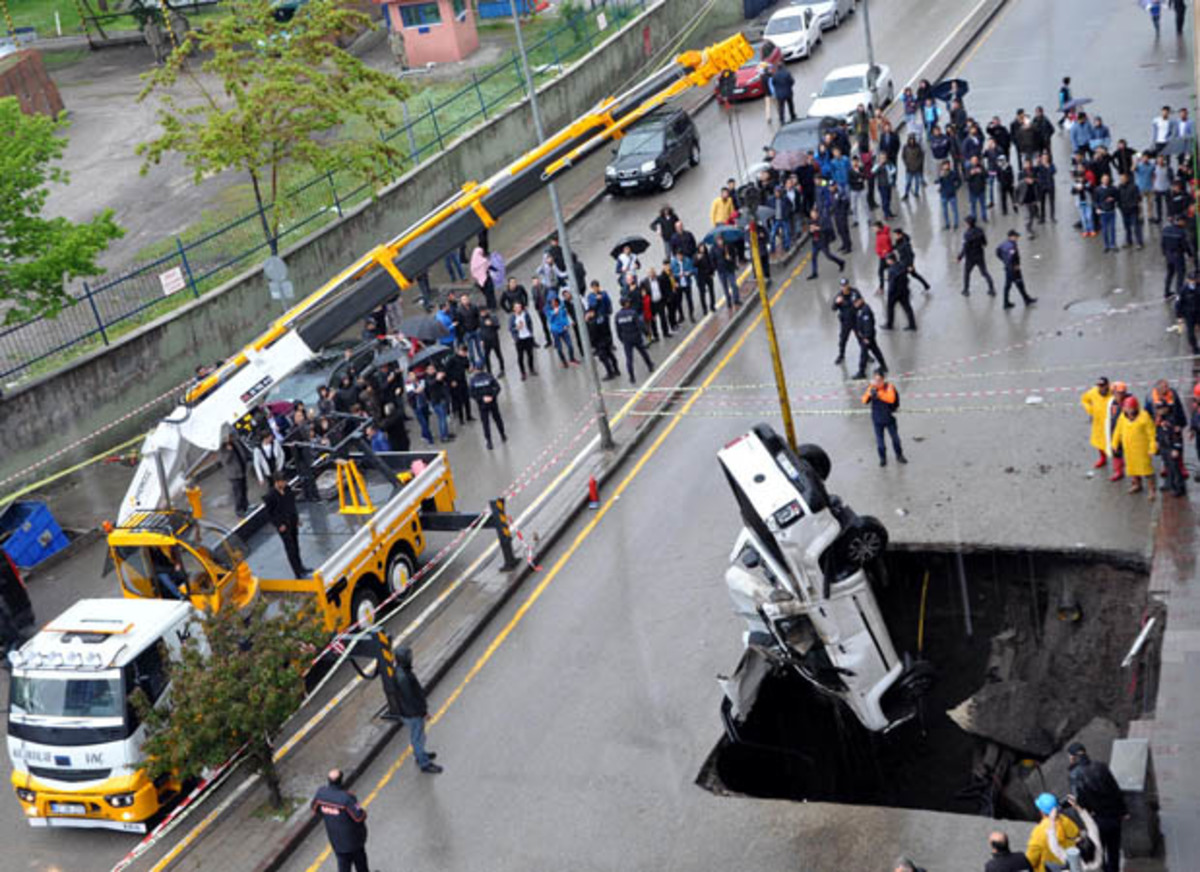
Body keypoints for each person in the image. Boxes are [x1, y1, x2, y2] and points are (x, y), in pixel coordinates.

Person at [1066, 744, 1126, 872]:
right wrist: (1124, 811)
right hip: (1114, 816)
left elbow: (1079, 801)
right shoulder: (1101, 766)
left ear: (1072, 757)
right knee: (1114, 849)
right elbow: (1115, 790)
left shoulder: (1074, 774)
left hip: (1096, 819)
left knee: (1099, 850)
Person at [393, 646, 442, 773]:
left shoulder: (399, 671)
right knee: (418, 737)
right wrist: (423, 712)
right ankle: (424, 763)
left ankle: (420, 755)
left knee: (418, 736)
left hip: (407, 712)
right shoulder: (404, 677)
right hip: (413, 713)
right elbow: (412, 699)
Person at [311, 769, 370, 872]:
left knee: (343, 866)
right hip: (354, 841)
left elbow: (314, 809)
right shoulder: (347, 798)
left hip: (336, 841)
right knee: (361, 865)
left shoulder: (321, 794)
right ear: (341, 781)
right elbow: (359, 817)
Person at [1113, 396, 1158, 498]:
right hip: (1129, 449)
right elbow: (1118, 430)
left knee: (1146, 471)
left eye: (1130, 409)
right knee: (1132, 468)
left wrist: (1152, 448)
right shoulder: (1122, 417)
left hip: (1142, 450)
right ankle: (1137, 485)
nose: (1128, 411)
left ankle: (1152, 489)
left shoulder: (1144, 417)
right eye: (1126, 409)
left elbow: (1152, 434)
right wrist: (1115, 443)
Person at [264, 474, 307, 578]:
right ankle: (297, 573)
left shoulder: (287, 490)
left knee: (296, 546)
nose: (285, 484)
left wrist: (297, 518)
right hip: (283, 526)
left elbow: (292, 505)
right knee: (290, 548)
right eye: (283, 482)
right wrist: (278, 525)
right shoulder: (271, 496)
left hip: (292, 521)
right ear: (277, 482)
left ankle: (301, 567)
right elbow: (270, 514)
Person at [1026, 793, 1080, 872]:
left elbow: (1030, 860)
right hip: (1068, 866)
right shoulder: (1067, 821)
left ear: (1041, 811)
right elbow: (1077, 837)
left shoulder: (1039, 832)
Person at [863, 370, 906, 466]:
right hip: (877, 420)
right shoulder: (872, 388)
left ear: (883, 380)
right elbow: (864, 400)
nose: (877, 382)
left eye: (879, 380)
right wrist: (870, 392)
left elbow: (891, 399)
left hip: (889, 419)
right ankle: (883, 459)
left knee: (896, 439)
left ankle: (899, 455)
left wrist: (878, 394)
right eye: (875, 380)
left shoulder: (889, 387)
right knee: (880, 443)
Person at [614, 295, 654, 384]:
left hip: (626, 339)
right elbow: (640, 325)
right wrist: (647, 333)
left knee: (629, 359)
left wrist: (622, 339)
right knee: (643, 352)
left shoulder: (617, 316)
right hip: (636, 337)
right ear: (626, 304)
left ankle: (632, 377)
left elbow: (618, 330)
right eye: (628, 302)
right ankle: (650, 365)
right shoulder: (633, 313)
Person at [467, 364, 506, 450]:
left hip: (482, 405)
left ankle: (489, 442)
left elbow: (471, 393)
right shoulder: (489, 376)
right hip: (492, 403)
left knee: (485, 423)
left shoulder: (473, 380)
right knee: (497, 419)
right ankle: (502, 435)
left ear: (475, 369)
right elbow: (498, 388)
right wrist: (492, 396)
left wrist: (481, 398)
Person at [1081, 378, 1116, 470]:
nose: (1101, 388)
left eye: (1103, 386)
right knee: (1099, 441)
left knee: (1115, 442)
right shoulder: (1093, 392)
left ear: (1107, 385)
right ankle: (1103, 458)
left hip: (1111, 422)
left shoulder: (1113, 393)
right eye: (1099, 386)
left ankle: (1118, 464)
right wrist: (1090, 410)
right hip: (1098, 422)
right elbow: (1084, 400)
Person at [997, 231, 1037, 309]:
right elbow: (1011, 257)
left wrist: (1004, 261)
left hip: (1008, 268)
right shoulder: (1012, 246)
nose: (1017, 238)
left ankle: (1006, 302)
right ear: (1011, 237)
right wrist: (1015, 265)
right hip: (1013, 269)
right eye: (1016, 236)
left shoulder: (1003, 244)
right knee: (1020, 284)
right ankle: (1026, 299)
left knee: (1008, 286)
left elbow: (997, 252)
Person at [958, 216, 996, 296]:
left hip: (970, 257)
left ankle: (966, 290)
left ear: (968, 223)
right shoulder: (980, 230)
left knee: (967, 273)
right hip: (980, 255)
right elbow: (985, 243)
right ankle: (991, 289)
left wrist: (960, 257)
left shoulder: (967, 234)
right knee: (984, 272)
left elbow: (965, 247)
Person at [852, 295, 887, 379]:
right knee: (875, 350)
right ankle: (883, 366)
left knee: (864, 354)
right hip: (865, 335)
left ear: (861, 300)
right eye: (854, 302)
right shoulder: (860, 309)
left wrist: (866, 337)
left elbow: (868, 325)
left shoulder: (865, 310)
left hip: (867, 336)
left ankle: (861, 372)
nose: (855, 304)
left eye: (856, 302)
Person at [807, 209, 846, 279]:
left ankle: (841, 262)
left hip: (822, 241)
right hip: (815, 242)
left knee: (828, 256)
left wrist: (817, 228)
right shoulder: (810, 222)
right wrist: (810, 231)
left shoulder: (822, 220)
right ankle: (814, 273)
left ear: (817, 214)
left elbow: (826, 229)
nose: (813, 216)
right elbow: (810, 233)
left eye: (814, 214)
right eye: (811, 214)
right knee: (813, 257)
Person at [883, 253, 917, 331]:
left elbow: (891, 284)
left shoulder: (891, 270)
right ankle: (912, 325)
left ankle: (889, 325)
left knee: (890, 308)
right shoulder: (902, 265)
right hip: (904, 291)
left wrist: (889, 292)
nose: (886, 261)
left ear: (891, 260)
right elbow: (907, 272)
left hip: (894, 293)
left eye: (887, 260)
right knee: (908, 308)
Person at [585, 308, 620, 381]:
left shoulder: (592, 322)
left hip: (599, 343)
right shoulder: (602, 317)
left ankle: (610, 373)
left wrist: (587, 322)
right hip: (606, 340)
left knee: (603, 358)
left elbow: (592, 334)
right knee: (610, 355)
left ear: (591, 312)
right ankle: (616, 370)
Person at [221, 430, 250, 516]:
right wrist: (229, 451)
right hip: (234, 474)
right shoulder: (223, 448)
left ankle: (246, 506)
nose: (231, 437)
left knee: (244, 488)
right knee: (238, 492)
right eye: (229, 436)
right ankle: (239, 510)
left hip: (242, 469)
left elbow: (242, 451)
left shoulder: (235, 442)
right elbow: (225, 461)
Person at [893, 228, 931, 292]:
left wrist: (911, 265)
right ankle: (926, 285)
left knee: (901, 276)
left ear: (900, 235)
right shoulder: (898, 241)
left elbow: (911, 255)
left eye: (895, 235)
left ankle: (905, 290)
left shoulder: (906, 244)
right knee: (914, 275)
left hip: (906, 263)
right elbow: (895, 247)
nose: (893, 237)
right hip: (902, 262)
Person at [832, 279, 860, 365]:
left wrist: (858, 305)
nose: (844, 287)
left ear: (848, 285)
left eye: (845, 285)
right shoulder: (839, 296)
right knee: (843, 340)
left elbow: (861, 301)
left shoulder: (854, 292)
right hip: (845, 322)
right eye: (842, 286)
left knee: (861, 338)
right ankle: (841, 355)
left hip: (856, 320)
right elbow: (833, 308)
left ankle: (866, 354)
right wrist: (837, 303)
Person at [508, 301, 538, 380]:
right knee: (520, 357)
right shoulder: (512, 318)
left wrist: (531, 332)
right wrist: (516, 329)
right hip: (519, 339)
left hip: (527, 337)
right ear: (514, 309)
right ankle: (523, 373)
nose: (518, 309)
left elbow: (530, 323)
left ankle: (531, 369)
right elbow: (510, 329)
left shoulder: (526, 314)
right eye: (516, 308)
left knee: (530, 355)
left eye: (519, 307)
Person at [1162, 216, 1191, 298]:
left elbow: (1162, 243)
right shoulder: (1181, 232)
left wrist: (1164, 253)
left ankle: (1166, 292)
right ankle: (1179, 293)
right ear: (1180, 221)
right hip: (1178, 256)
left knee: (1170, 273)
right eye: (1184, 222)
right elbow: (1185, 245)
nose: (1185, 223)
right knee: (1180, 274)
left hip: (1168, 255)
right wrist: (1190, 255)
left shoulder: (1166, 229)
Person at [546, 296, 579, 367]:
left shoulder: (562, 308)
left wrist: (566, 325)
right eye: (552, 302)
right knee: (559, 348)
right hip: (555, 331)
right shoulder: (549, 311)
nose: (553, 303)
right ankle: (564, 361)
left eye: (555, 302)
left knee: (570, 345)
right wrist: (554, 314)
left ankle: (572, 359)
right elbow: (550, 320)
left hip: (564, 330)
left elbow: (565, 317)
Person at [1176, 272, 1200, 352]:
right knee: (1191, 333)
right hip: (1188, 314)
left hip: (1198, 313)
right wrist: (1179, 317)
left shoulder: (1198, 287)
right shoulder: (1183, 290)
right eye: (1191, 280)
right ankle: (1195, 348)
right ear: (1187, 280)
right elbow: (1178, 304)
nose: (1192, 282)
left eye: (1194, 280)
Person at [479, 308, 505, 377]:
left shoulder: (492, 317)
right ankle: (489, 372)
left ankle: (502, 369)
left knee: (498, 354)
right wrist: (481, 340)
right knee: (486, 356)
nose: (482, 313)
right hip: (486, 341)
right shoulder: (480, 319)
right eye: (481, 312)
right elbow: (480, 330)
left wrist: (492, 324)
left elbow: (498, 326)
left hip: (494, 339)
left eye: (483, 311)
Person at [937, 160, 962, 230]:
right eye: (944, 165)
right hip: (943, 194)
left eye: (947, 165)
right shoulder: (941, 174)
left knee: (954, 210)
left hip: (952, 194)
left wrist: (955, 188)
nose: (945, 166)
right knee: (945, 211)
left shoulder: (953, 173)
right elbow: (937, 181)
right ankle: (947, 224)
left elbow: (959, 181)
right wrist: (940, 177)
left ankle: (955, 223)